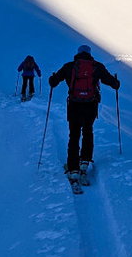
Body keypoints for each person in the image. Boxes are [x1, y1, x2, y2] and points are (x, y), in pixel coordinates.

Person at [48, 45, 120, 187]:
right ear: (89, 54)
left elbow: (53, 82)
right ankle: (84, 163)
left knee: (74, 136)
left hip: (74, 106)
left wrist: (52, 77)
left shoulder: (70, 66)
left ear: (78, 54)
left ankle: (73, 168)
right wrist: (116, 82)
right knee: (88, 132)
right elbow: (113, 83)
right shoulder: (96, 67)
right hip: (90, 106)